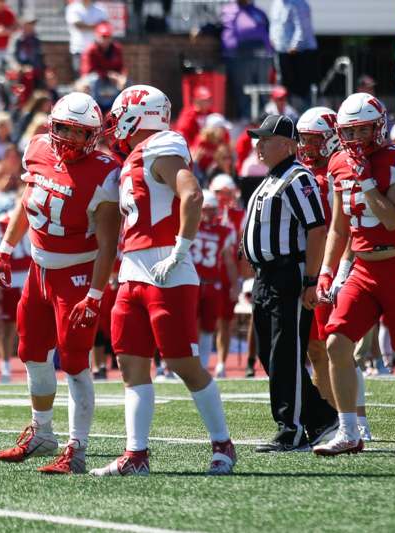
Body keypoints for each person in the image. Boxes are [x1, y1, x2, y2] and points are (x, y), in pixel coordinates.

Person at [91, 85, 236, 476]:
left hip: (165, 268)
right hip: (132, 270)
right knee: (130, 364)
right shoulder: (133, 158)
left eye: (120, 116)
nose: (115, 125)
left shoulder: (162, 146)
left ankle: (223, 444)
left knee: (182, 362)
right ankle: (136, 454)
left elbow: (191, 195)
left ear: (139, 115)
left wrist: (179, 250)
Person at [0, 92, 121, 474]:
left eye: (79, 133)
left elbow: (108, 243)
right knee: (31, 351)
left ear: (94, 136)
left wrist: (95, 294)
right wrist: (5, 247)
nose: (68, 138)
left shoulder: (105, 172)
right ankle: (42, 431)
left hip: (77, 276)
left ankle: (76, 447)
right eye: (63, 128)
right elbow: (27, 200)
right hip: (38, 269)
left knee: (76, 361)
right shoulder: (37, 148)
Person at [314, 93, 395, 457]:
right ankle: (349, 431)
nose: (358, 137)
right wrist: (328, 270)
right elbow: (338, 227)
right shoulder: (337, 162)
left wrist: (366, 180)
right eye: (350, 131)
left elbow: (393, 217)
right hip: (363, 268)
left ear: (379, 126)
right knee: (336, 343)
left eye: (364, 128)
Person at [241, 114, 338, 453]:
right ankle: (322, 417)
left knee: (286, 353)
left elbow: (316, 229)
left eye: (265, 139)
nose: (258, 145)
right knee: (270, 355)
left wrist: (311, 279)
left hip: (289, 274)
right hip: (266, 276)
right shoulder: (272, 178)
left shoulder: (297, 177)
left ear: (286, 144)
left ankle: (292, 428)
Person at [295, 106, 342, 408]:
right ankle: (327, 411)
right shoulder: (305, 173)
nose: (308, 146)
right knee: (314, 348)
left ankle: (344, 413)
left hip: (329, 267)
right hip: (307, 266)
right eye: (304, 139)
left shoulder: (337, 171)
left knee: (331, 346)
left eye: (314, 139)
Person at [191, 191, 238, 370]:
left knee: (209, 326)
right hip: (193, 282)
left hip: (211, 282)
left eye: (212, 210)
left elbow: (228, 260)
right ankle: (190, 363)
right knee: (189, 323)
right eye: (206, 210)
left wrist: (235, 284)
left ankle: (203, 363)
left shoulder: (224, 231)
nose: (208, 214)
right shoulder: (191, 225)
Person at [208, 174, 245, 378]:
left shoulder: (240, 215)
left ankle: (221, 362)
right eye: (219, 193)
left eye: (227, 193)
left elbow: (241, 250)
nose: (223, 198)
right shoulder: (202, 212)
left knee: (225, 321)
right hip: (206, 273)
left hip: (227, 275)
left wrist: (239, 279)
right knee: (198, 320)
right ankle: (201, 360)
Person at [0, 208, 31, 383]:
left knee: (33, 326)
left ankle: (35, 364)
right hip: (11, 278)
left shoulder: (34, 214)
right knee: (8, 327)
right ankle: (5, 368)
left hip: (30, 276)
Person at [220, 0, 273, 119]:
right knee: (244, 92)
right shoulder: (226, 11)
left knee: (263, 92)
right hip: (237, 57)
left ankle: (266, 121)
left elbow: (269, 32)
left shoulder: (259, 13)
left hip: (262, 57)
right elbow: (216, 27)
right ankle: (247, 121)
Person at [269, 0, 318, 107]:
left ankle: (304, 113)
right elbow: (274, 24)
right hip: (282, 51)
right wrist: (272, 39)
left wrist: (294, 46)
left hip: (300, 53)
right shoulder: (276, 3)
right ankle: (288, 112)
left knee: (302, 89)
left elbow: (302, 28)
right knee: (284, 86)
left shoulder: (299, 3)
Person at [80, 22, 127, 113]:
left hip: (112, 81)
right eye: (103, 37)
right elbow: (87, 72)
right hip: (98, 81)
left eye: (108, 37)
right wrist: (108, 74)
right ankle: (94, 109)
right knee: (92, 80)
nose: (105, 40)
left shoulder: (116, 48)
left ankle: (119, 110)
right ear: (97, 36)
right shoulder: (91, 50)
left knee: (126, 83)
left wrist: (122, 77)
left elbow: (121, 68)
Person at [65, 0, 108, 76]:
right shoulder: (73, 8)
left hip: (97, 51)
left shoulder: (100, 8)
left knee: (97, 77)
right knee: (80, 77)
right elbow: (78, 25)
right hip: (79, 49)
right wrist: (96, 25)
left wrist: (89, 25)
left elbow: (104, 25)